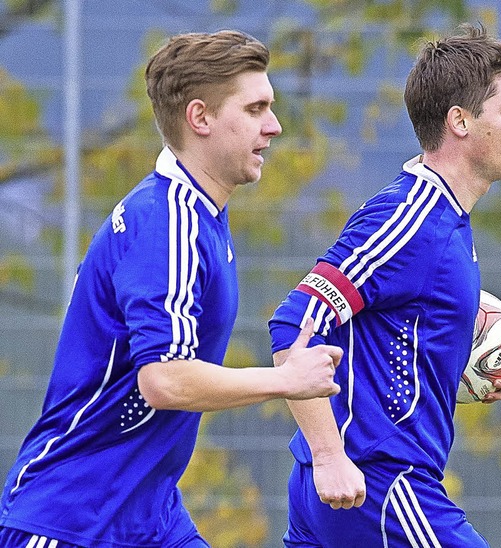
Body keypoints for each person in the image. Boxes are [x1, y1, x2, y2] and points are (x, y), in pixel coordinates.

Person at [0, 30, 343, 548]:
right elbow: (164, 381)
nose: (274, 126)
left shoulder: (198, 215)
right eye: (255, 109)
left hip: (148, 516)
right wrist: (286, 379)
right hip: (74, 520)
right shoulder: (167, 224)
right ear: (200, 118)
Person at [269, 23, 501, 547]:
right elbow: (293, 326)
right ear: (459, 121)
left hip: (345, 489)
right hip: (378, 488)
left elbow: (388, 341)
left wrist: (481, 369)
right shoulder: (412, 219)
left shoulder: (444, 218)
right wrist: (329, 456)